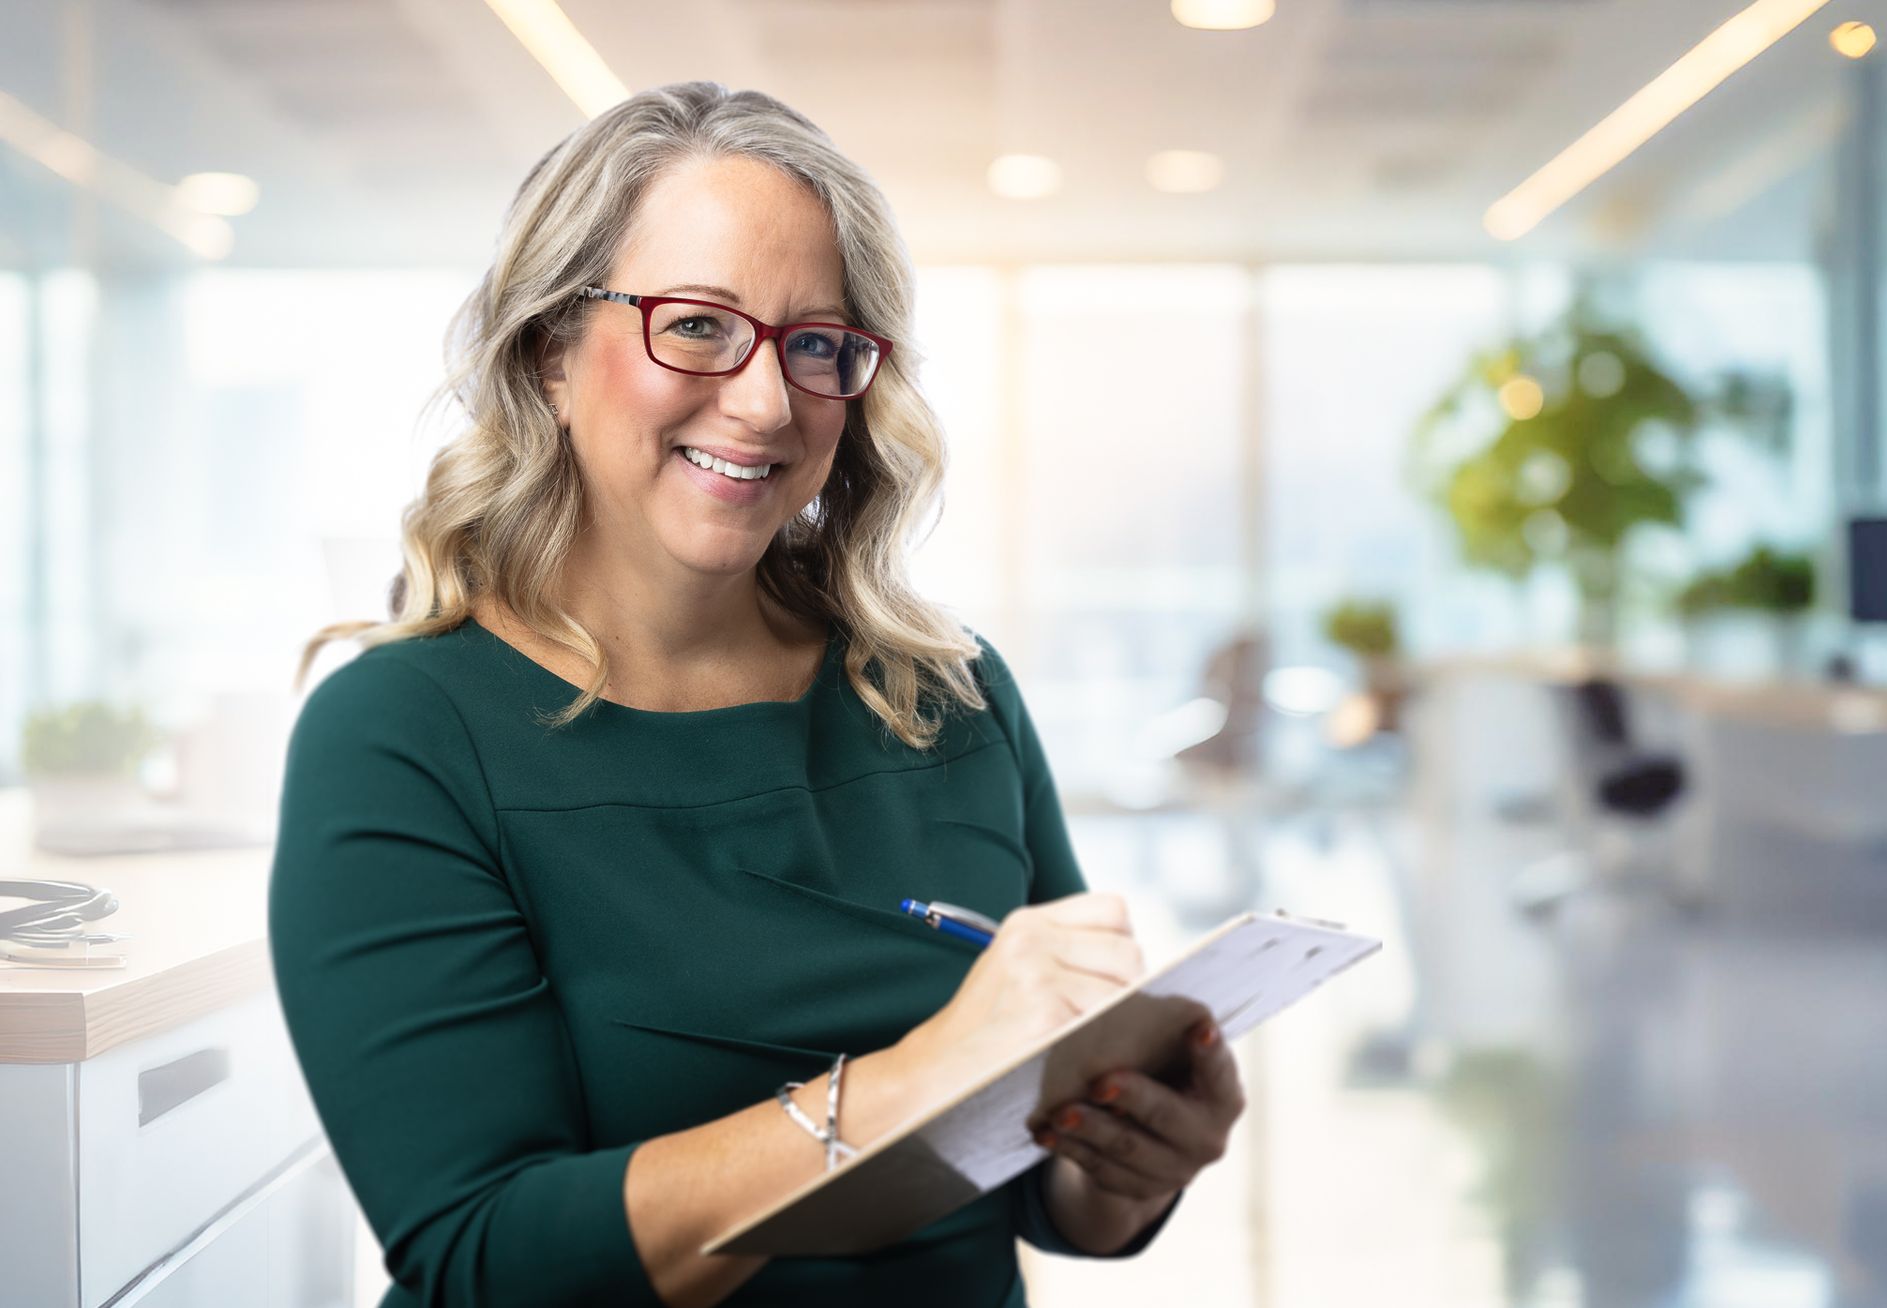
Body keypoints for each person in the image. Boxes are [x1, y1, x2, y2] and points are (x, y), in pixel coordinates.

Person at [268, 81, 1244, 1308]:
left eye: (818, 344)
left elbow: (1044, 1185)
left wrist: (1129, 1167)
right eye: (699, 325)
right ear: (550, 353)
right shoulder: (403, 734)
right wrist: (921, 1074)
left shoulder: (952, 696)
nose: (769, 400)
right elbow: (480, 1255)